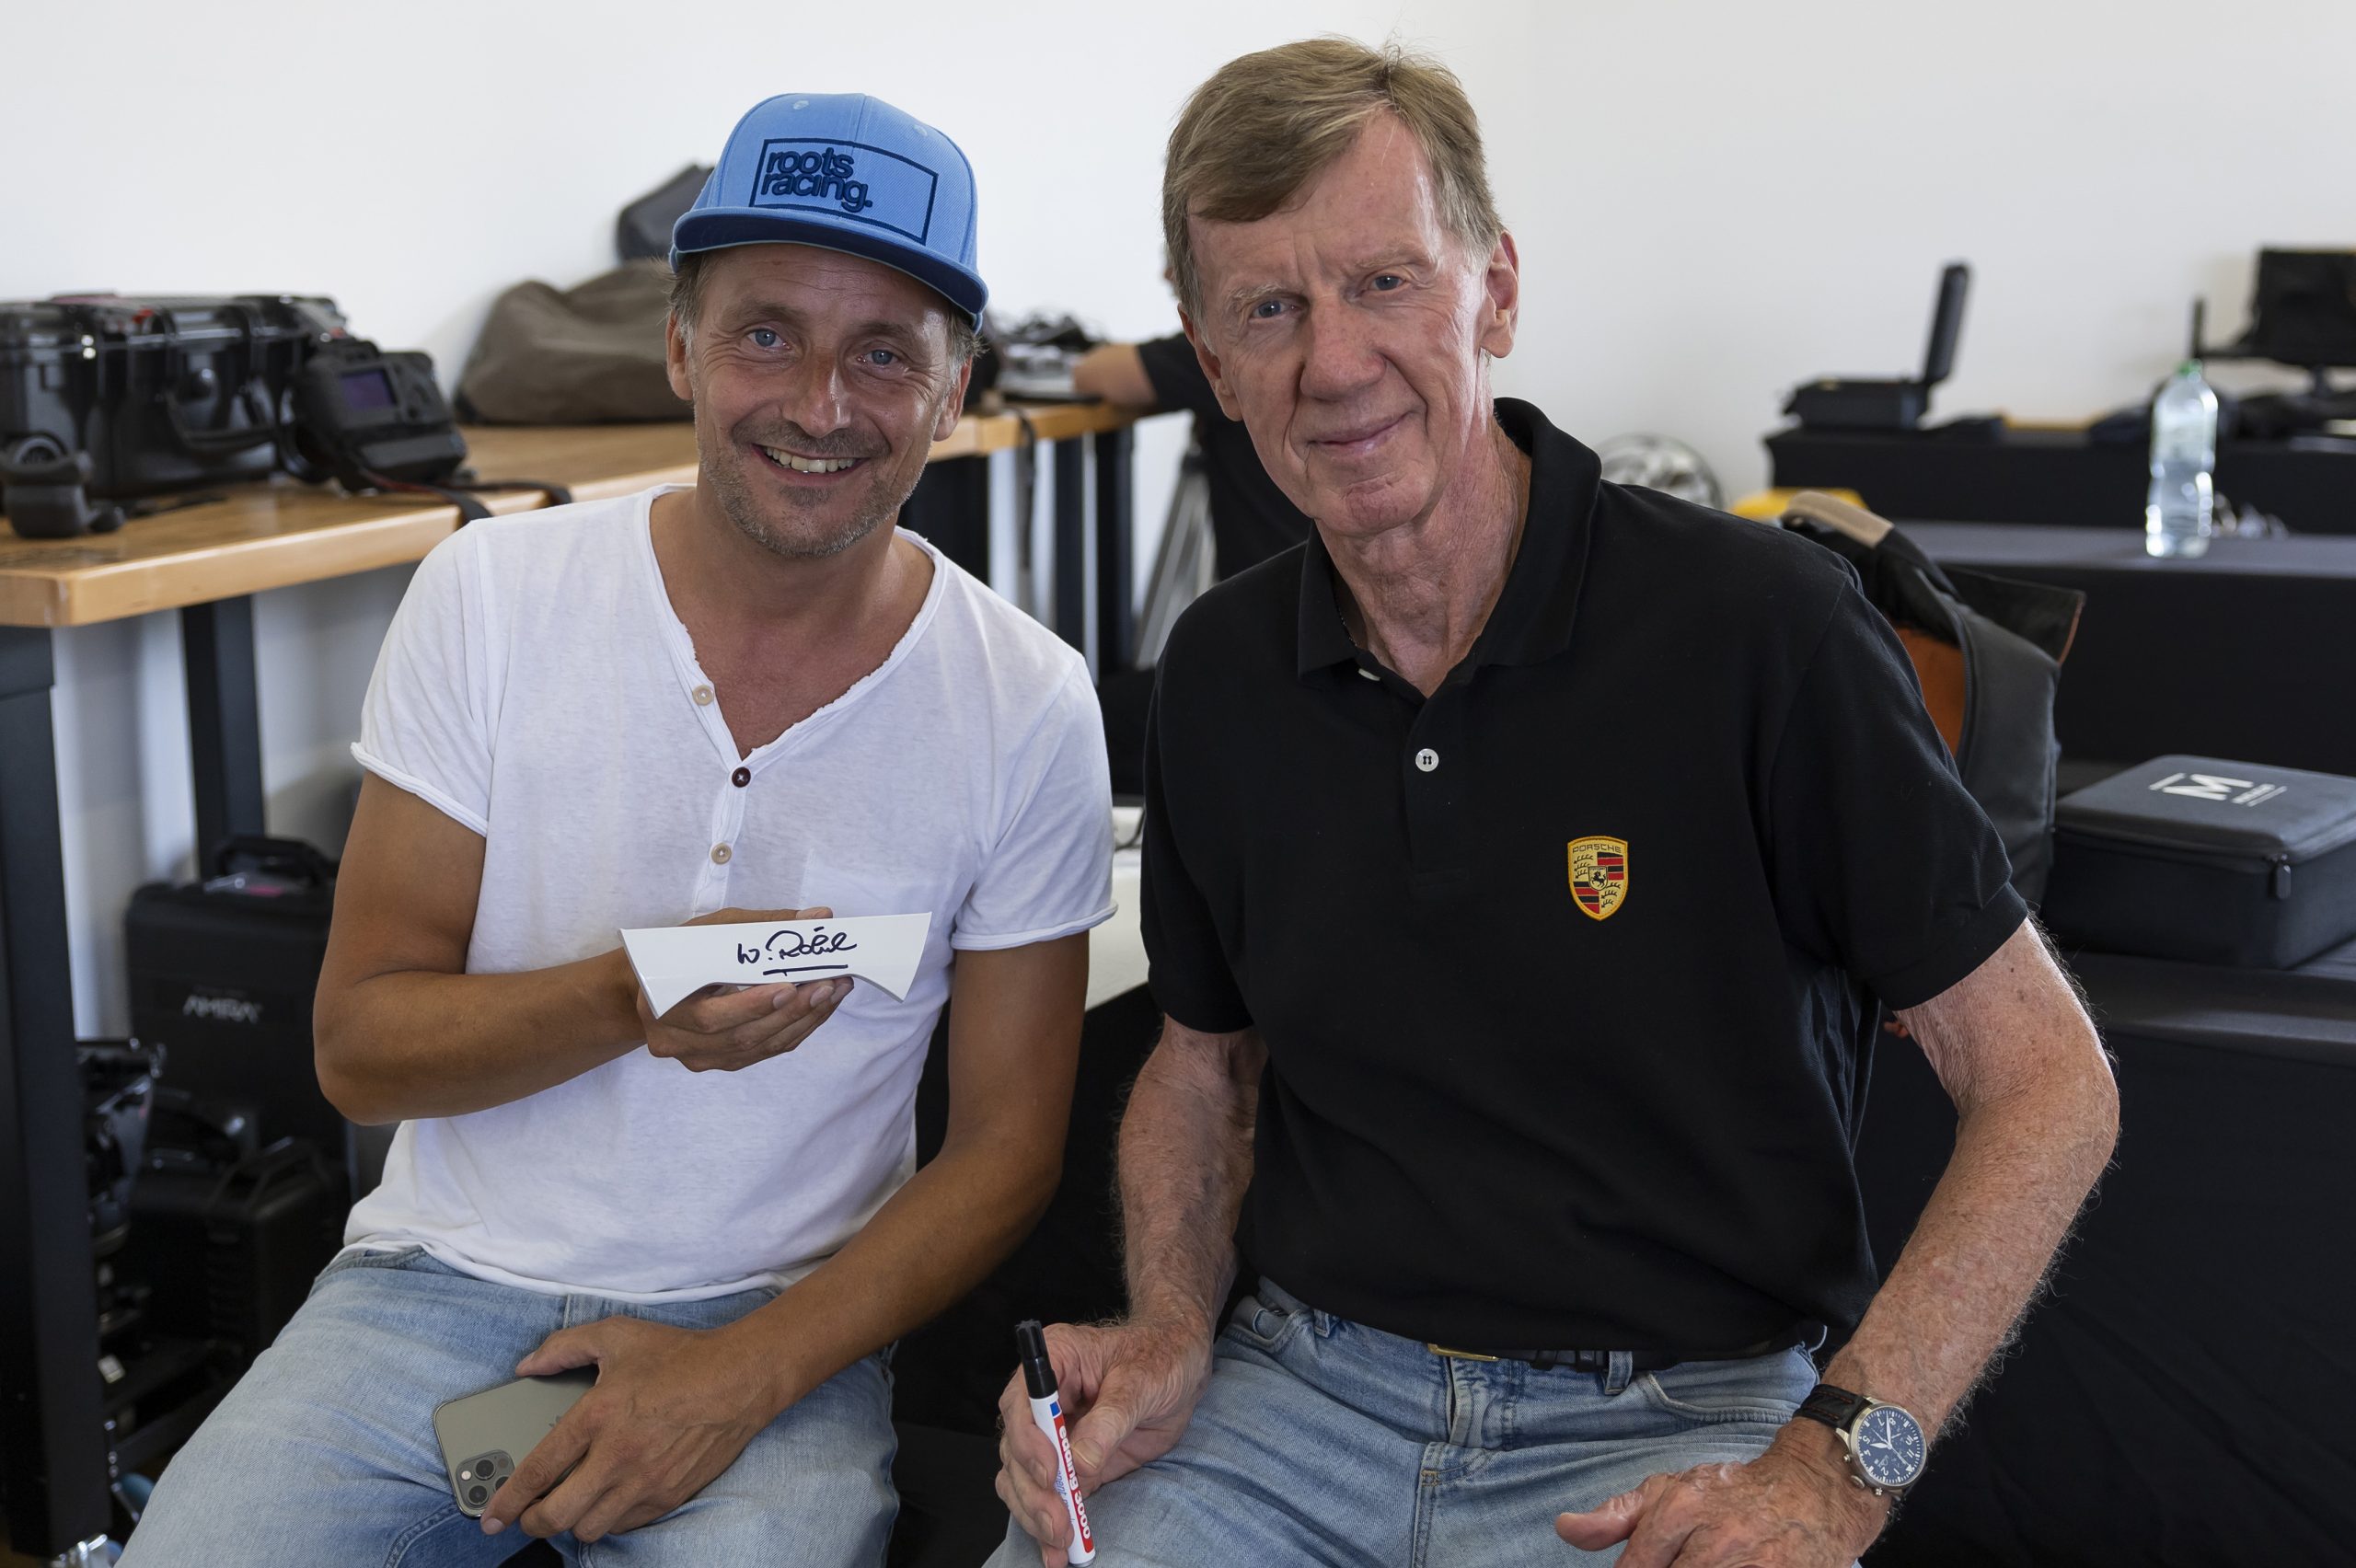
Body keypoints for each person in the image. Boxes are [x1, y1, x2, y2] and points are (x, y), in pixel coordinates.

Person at [993, 39, 2117, 1568]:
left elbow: (2049, 1078)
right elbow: (1203, 1067)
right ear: (1211, 356)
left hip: (1674, 1416)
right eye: (1269, 309)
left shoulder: (1763, 628)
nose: (1333, 363)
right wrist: (1172, 1324)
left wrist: (1843, 1467)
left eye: (1385, 282)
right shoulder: (1219, 668)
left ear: (1496, 292)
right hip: (1293, 1402)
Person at [122, 91, 1112, 1568]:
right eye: (765, 333)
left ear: (954, 389)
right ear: (680, 350)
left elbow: (1007, 1151)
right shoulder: (493, 597)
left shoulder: (1025, 700)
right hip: (433, 1298)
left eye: (884, 353)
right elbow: (360, 1049)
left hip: (777, 1325)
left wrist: (738, 1378)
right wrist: (630, 995)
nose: (820, 405)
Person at [1073, 328, 1311, 579]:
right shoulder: (1297, 342)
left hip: (1270, 587)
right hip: (1308, 576)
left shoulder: (1227, 349)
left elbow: (1091, 373)